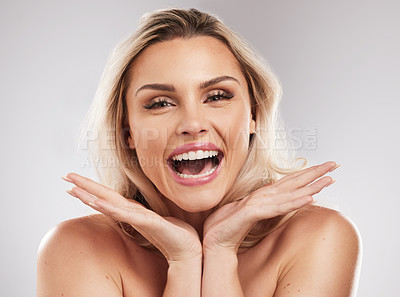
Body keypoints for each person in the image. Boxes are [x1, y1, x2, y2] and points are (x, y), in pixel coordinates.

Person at [37, 8, 361, 297]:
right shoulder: (76, 248)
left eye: (217, 95)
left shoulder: (320, 238)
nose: (192, 123)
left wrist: (220, 252)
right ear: (128, 132)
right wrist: (184, 261)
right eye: (160, 103)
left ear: (254, 116)